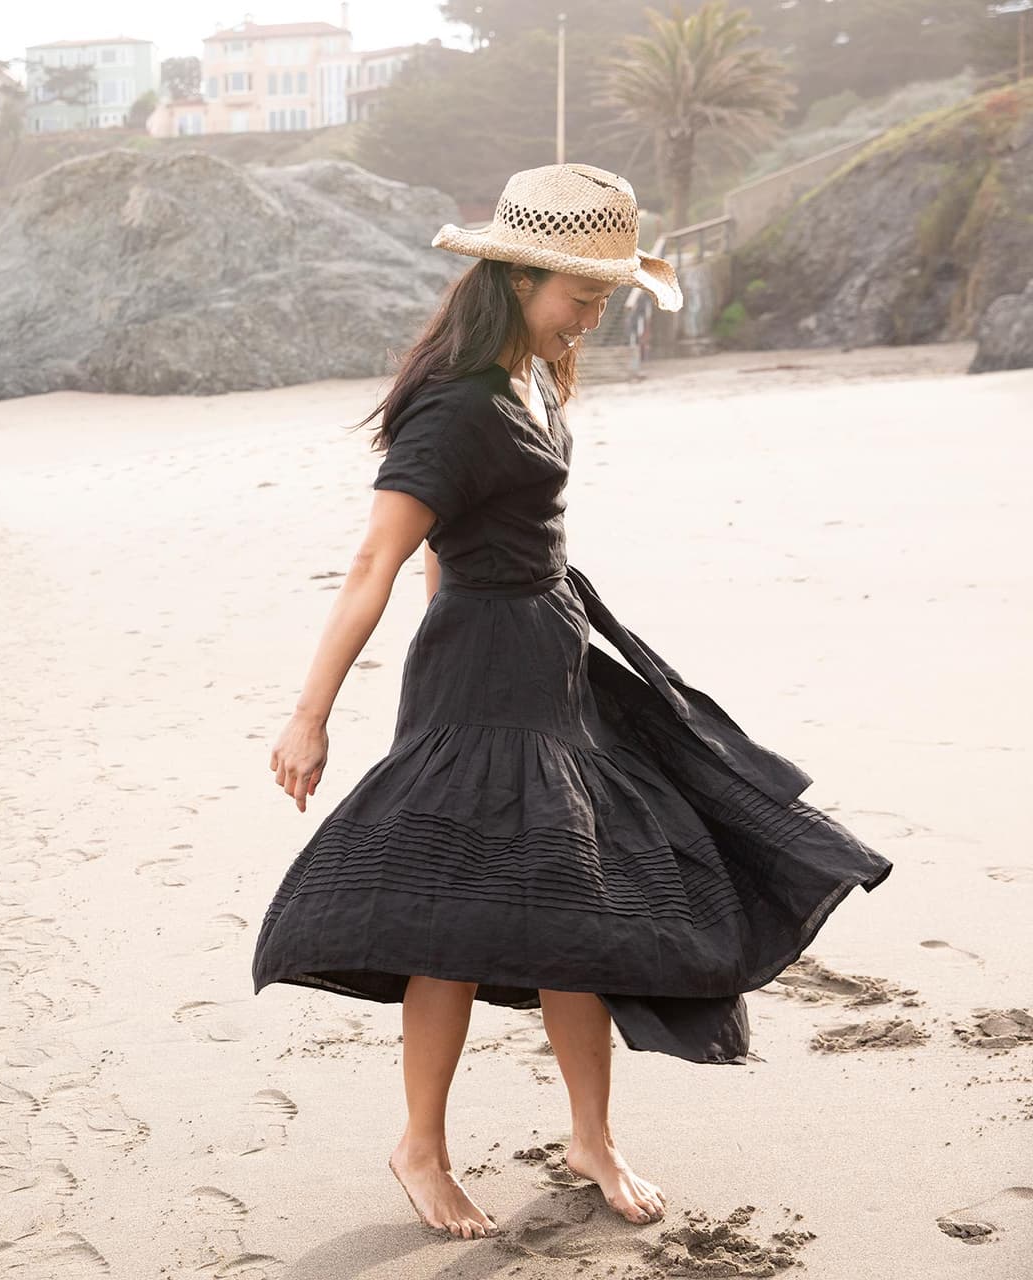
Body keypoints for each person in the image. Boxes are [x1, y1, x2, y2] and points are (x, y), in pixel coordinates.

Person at [250, 164, 892, 1241]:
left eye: (605, 296)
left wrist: (492, 626)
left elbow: (456, 556)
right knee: (450, 915)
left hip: (544, 663)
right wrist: (311, 712)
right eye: (583, 294)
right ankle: (419, 1142)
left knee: (576, 901)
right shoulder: (456, 406)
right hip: (483, 682)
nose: (596, 315)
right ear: (517, 276)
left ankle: (590, 1133)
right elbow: (377, 560)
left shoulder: (535, 375)